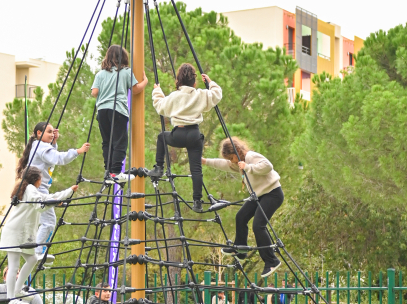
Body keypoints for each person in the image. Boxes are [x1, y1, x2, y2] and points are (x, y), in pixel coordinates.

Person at [204, 137, 283, 278]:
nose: (231, 161)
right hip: (259, 195)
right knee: (241, 217)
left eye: (231, 158)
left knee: (258, 225)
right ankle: (240, 249)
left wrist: (248, 168)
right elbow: (222, 164)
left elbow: (268, 166)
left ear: (236, 153)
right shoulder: (237, 162)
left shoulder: (250, 157)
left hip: (272, 193)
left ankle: (271, 261)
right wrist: (205, 161)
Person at [148, 63, 222, 212]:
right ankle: (197, 201)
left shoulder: (175, 96)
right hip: (194, 135)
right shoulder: (200, 94)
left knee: (162, 137)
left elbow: (160, 106)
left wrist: (157, 91)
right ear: (194, 83)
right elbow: (217, 94)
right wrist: (210, 83)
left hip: (179, 134)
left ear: (178, 82)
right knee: (196, 169)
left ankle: (159, 167)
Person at [0, 169, 77, 304]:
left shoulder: (29, 190)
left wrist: (68, 192)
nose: (41, 181)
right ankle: (11, 299)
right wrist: (54, 202)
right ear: (36, 179)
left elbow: (46, 198)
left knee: (33, 258)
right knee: (13, 265)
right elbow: (40, 205)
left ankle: (17, 290)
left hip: (22, 234)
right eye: (40, 178)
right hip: (15, 232)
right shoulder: (29, 188)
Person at [15, 121, 89, 258]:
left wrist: (54, 142)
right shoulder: (41, 147)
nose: (52, 134)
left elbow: (50, 157)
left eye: (53, 132)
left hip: (39, 189)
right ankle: (37, 252)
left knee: (39, 222)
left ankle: (36, 250)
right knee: (48, 222)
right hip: (40, 190)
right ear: (39, 133)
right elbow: (58, 158)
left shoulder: (39, 146)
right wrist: (78, 151)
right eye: (49, 132)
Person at [91, 44, 148, 182]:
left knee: (107, 142)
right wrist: (145, 81)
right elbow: (135, 89)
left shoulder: (100, 74)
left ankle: (108, 172)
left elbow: (94, 93)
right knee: (120, 142)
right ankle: (116, 172)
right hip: (118, 110)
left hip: (102, 111)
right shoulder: (125, 72)